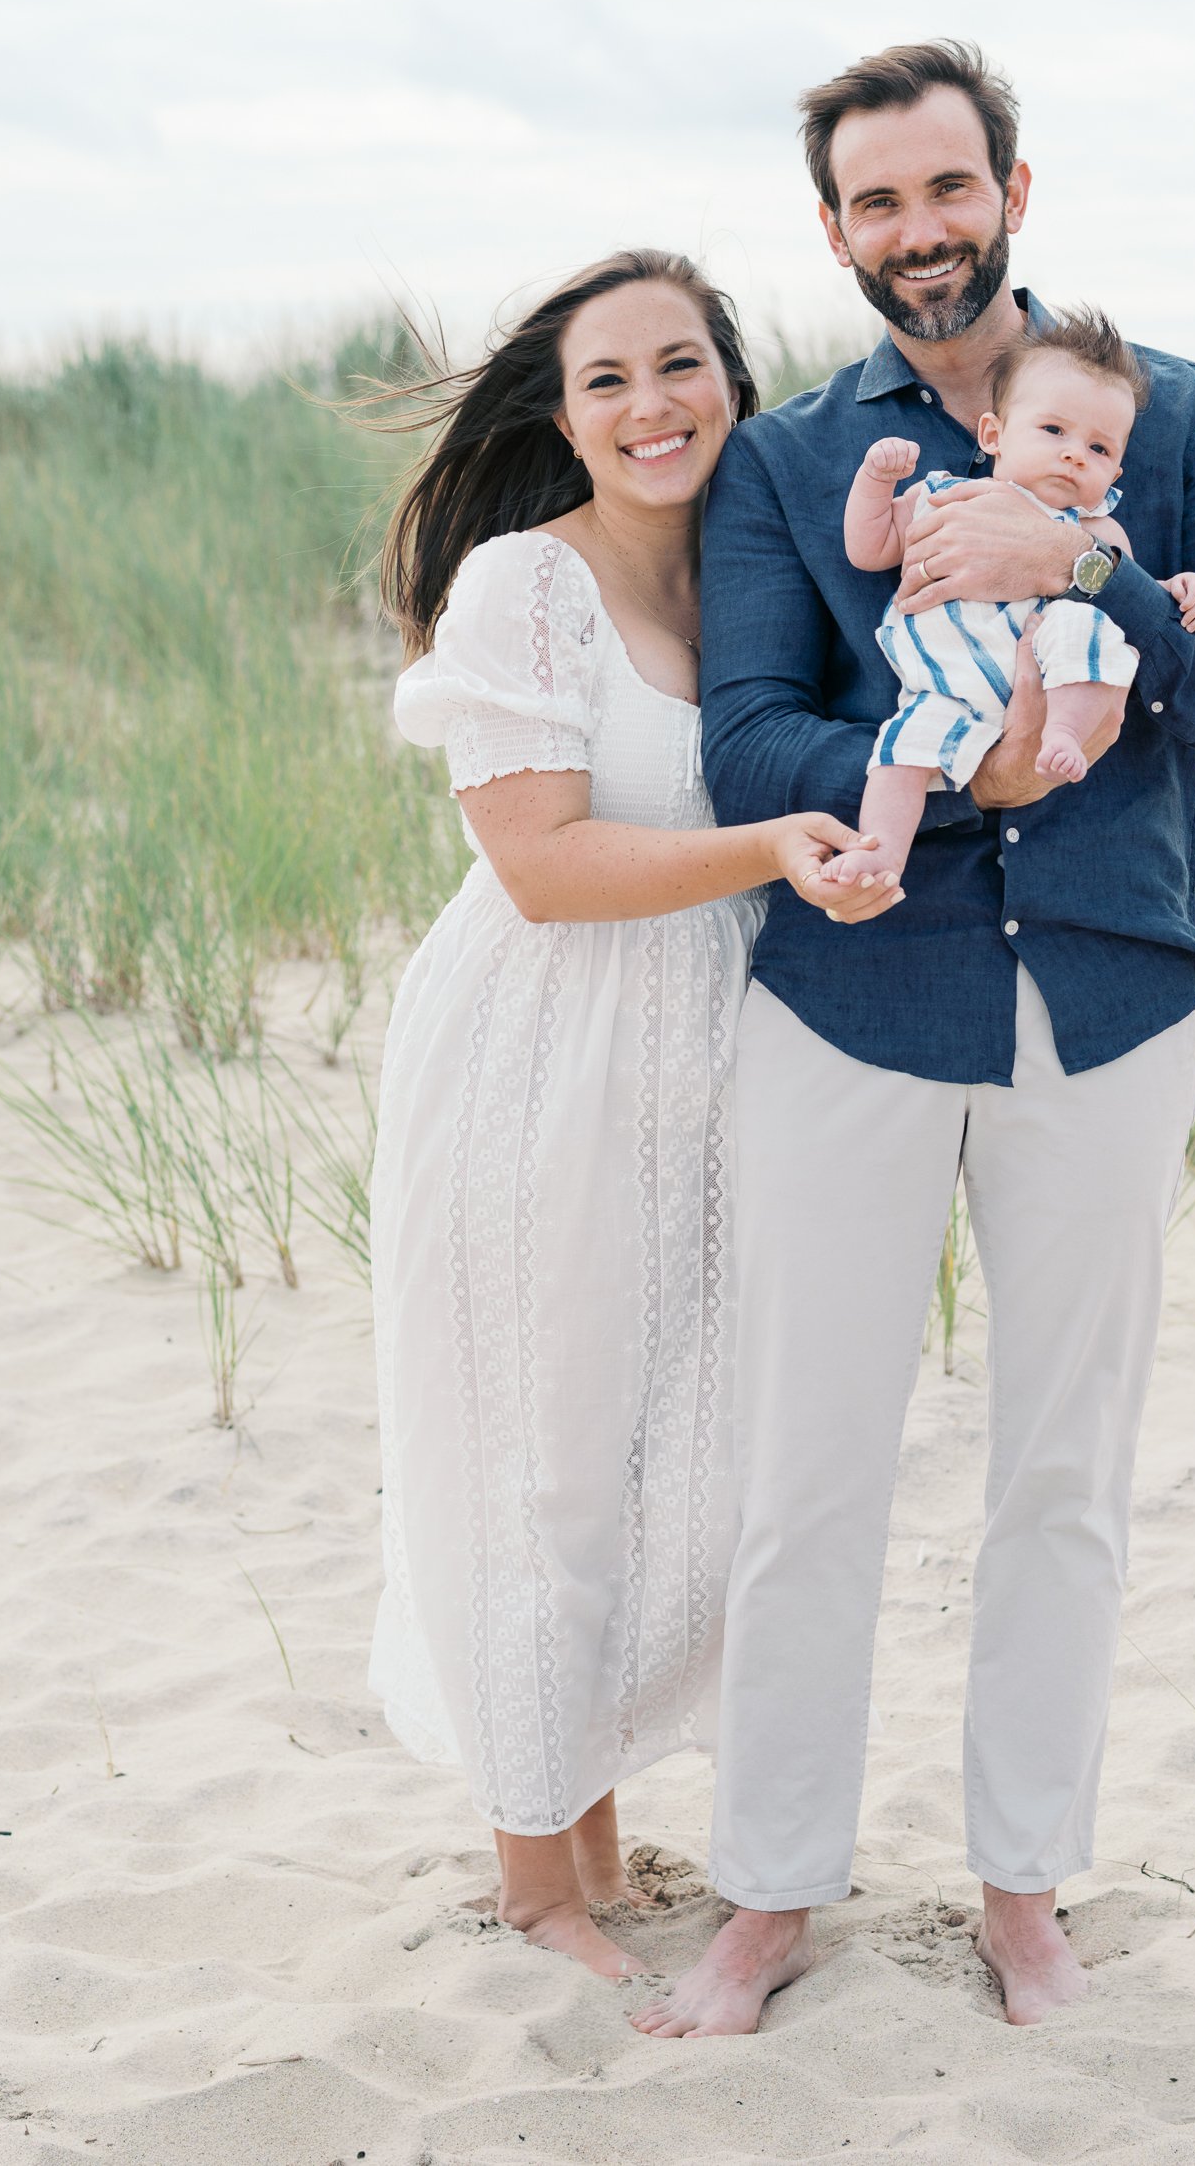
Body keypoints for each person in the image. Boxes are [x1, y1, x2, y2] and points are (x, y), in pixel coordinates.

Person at [632, 41, 1195, 2038]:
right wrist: (973, 753)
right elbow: (748, 731)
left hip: (1102, 1009)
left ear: (1014, 187)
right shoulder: (783, 461)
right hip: (846, 1006)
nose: (917, 233)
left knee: (1061, 1475)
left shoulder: (1180, 419)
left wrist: (1086, 566)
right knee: (807, 1471)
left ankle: (1025, 1891)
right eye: (875, 204)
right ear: (836, 231)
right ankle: (766, 1895)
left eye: (947, 190)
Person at [366, 249, 881, 1984]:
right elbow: (539, 864)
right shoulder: (529, 585)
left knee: (680, 1464)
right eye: (609, 379)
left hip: (706, 1065)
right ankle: (535, 1887)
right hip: (544, 1057)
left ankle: (585, 1821)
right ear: (561, 414)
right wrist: (766, 851)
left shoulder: (751, 583)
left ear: (734, 382)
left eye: (684, 365)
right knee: (549, 1459)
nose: (653, 404)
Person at [820, 307, 1195, 895]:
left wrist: (1183, 588)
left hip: (1043, 668)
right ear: (994, 435)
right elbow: (868, 545)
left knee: (1089, 631)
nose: (1075, 455)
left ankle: (1062, 733)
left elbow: (1130, 597)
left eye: (1099, 449)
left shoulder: (1097, 532)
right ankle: (878, 859)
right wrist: (877, 482)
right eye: (1054, 431)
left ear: (1114, 474)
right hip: (947, 687)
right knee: (899, 754)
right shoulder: (943, 496)